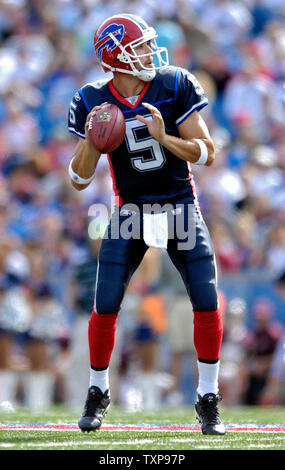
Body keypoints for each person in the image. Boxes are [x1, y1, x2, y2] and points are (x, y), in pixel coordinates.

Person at [67, 14, 225, 436]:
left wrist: (164, 137)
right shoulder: (92, 99)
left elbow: (208, 152)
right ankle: (98, 391)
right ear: (116, 57)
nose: (148, 53)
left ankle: (207, 397)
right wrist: (91, 139)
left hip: (180, 207)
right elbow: (79, 179)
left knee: (207, 302)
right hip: (130, 210)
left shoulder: (175, 83)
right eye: (139, 47)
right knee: (104, 305)